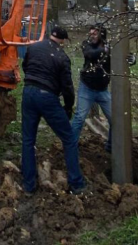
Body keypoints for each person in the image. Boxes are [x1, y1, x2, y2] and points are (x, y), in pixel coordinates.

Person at [21, 26, 85, 195]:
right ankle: (76, 184)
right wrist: (68, 108)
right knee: (69, 139)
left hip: (28, 92)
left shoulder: (33, 47)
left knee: (28, 140)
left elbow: (25, 66)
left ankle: (28, 186)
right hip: (47, 97)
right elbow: (67, 87)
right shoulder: (62, 57)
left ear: (51, 35)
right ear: (63, 40)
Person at [71, 24, 136, 152]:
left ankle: (110, 146)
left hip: (102, 90)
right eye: (90, 33)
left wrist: (132, 59)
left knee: (115, 119)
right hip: (87, 88)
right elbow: (91, 54)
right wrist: (110, 50)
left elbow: (123, 57)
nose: (91, 36)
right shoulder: (87, 44)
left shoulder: (109, 48)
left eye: (94, 34)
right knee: (79, 118)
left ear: (102, 35)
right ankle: (71, 147)